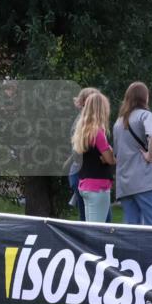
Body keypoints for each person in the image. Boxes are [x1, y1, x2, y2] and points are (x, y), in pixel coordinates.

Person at [112, 81, 152, 226]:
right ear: (145, 97)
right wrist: (150, 156)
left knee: (133, 228)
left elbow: (116, 153)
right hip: (144, 180)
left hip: (124, 182)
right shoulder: (145, 115)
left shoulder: (118, 122)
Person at [71, 91, 115, 222]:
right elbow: (110, 159)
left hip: (85, 184)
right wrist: (109, 153)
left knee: (90, 228)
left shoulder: (83, 130)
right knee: (98, 230)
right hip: (98, 186)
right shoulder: (98, 132)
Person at [65, 87, 101, 221]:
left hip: (80, 173)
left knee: (89, 218)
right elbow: (79, 152)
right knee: (92, 219)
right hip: (83, 174)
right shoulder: (85, 122)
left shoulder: (86, 121)